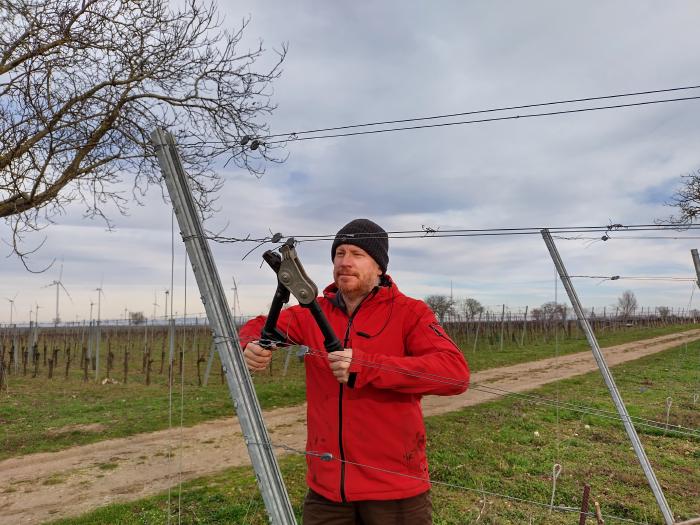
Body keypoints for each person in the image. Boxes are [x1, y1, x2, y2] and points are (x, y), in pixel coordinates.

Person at [240, 218, 470, 525]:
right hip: (328, 492)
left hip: (395, 490)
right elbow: (258, 326)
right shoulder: (313, 311)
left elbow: (454, 373)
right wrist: (252, 344)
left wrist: (368, 366)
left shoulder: (410, 313)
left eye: (357, 254)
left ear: (379, 266)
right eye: (340, 253)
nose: (345, 262)